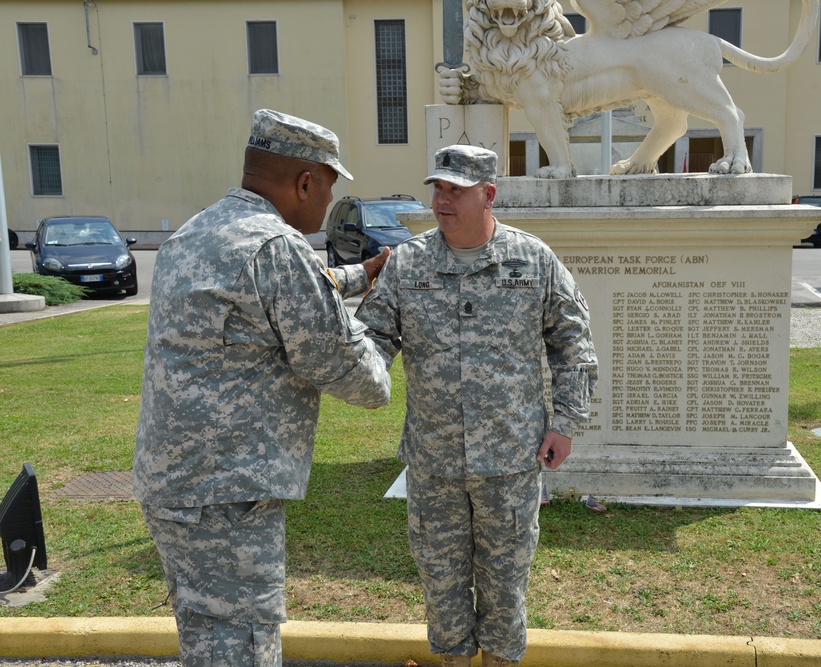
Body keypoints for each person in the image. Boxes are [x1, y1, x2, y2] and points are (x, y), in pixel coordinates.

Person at [133, 109, 392, 667]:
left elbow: (268, 299)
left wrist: (360, 274)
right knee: (242, 646)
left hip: (175, 486)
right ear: (305, 183)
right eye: (328, 188)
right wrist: (381, 345)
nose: (328, 205)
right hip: (228, 498)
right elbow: (350, 370)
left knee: (207, 635)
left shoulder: (194, 233)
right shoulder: (278, 248)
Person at [356, 145, 598, 667]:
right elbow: (373, 336)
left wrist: (566, 423)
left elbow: (574, 344)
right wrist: (358, 374)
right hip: (434, 462)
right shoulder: (409, 264)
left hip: (509, 461)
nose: (442, 200)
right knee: (441, 583)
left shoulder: (532, 261)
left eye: (456, 190)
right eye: (438, 188)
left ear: (488, 195)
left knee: (505, 587)